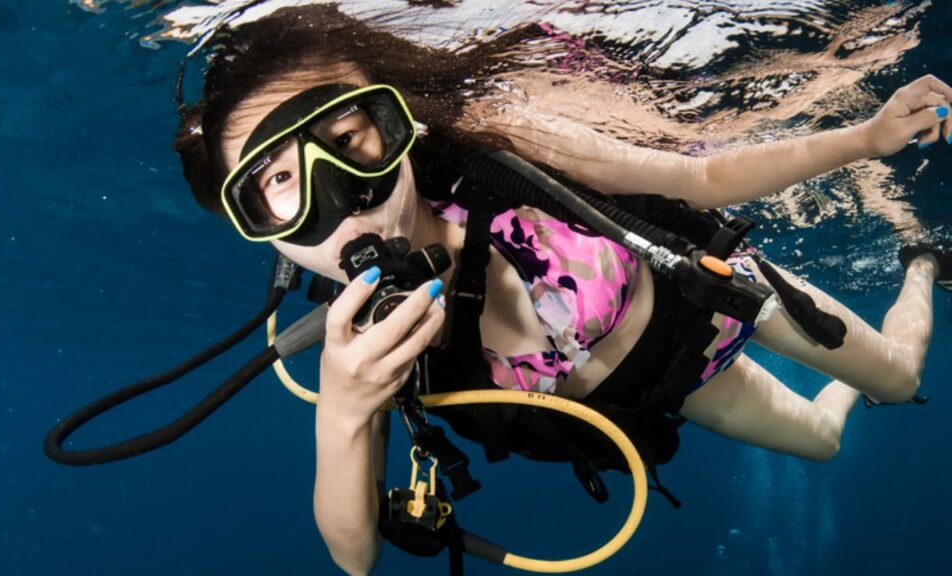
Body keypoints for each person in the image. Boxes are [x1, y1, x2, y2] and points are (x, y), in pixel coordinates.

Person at [173, 5, 951, 574]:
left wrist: (867, 138)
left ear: (396, 124)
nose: (339, 190)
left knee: (902, 377)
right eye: (279, 182)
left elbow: (701, 175)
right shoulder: (367, 352)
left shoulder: (501, 153)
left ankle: (918, 266)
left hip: (715, 302)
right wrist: (343, 413)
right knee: (821, 441)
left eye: (347, 140)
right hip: (669, 389)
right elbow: (354, 560)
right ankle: (851, 383)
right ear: (258, 227)